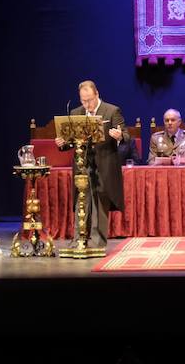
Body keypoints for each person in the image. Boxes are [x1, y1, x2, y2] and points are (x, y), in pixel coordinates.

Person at [54, 80, 127, 249]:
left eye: (89, 100)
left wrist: (119, 135)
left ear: (97, 94)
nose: (87, 104)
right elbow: (70, 140)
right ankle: (79, 239)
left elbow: (126, 136)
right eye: (83, 100)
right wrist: (62, 143)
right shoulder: (76, 112)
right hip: (82, 164)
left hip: (104, 163)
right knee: (82, 199)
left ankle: (97, 241)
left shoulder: (112, 110)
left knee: (100, 200)